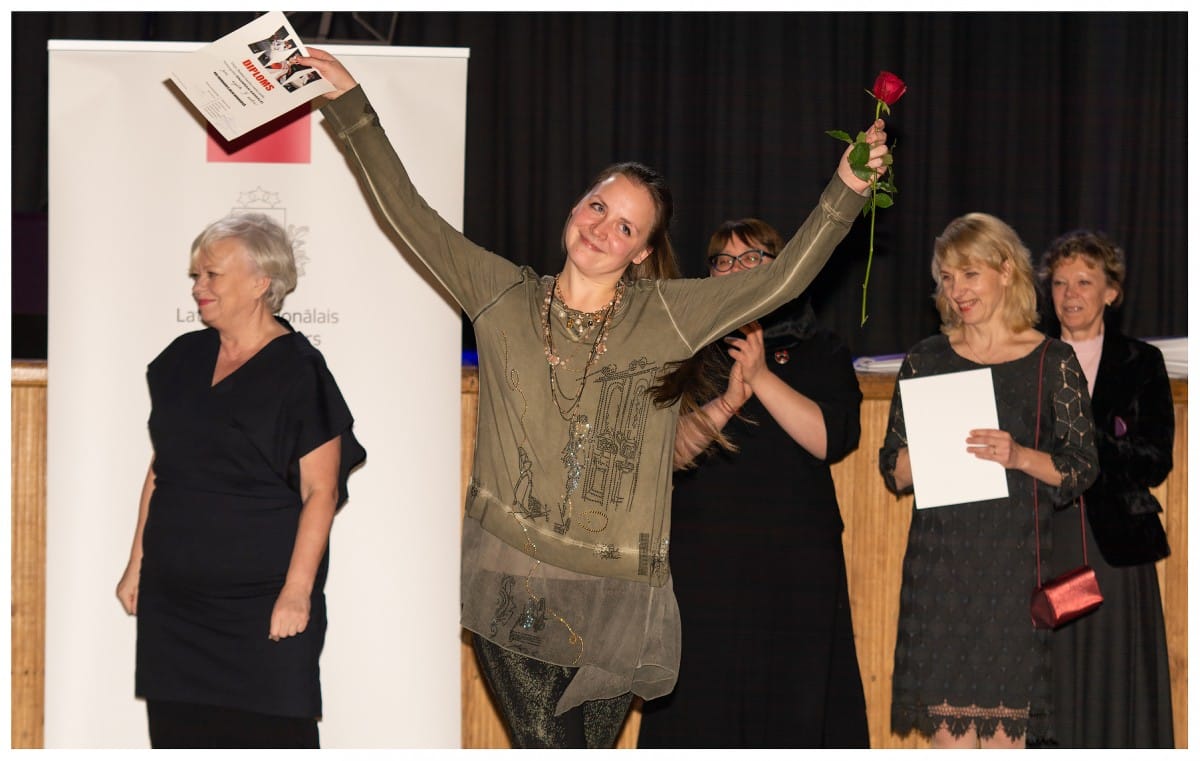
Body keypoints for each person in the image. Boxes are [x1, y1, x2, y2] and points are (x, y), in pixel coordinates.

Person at [294, 48, 888, 748]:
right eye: (599, 206)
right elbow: (410, 216)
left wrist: (845, 191)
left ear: (641, 253)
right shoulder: (502, 294)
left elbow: (780, 280)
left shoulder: (666, 315)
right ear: (576, 206)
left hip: (617, 601)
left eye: (626, 227)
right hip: (514, 584)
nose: (603, 229)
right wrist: (350, 105)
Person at [115, 213, 366, 748]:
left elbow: (320, 492)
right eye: (196, 276)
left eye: (212, 275)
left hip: (261, 606)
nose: (198, 287)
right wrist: (137, 562)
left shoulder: (299, 371)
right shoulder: (183, 359)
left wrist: (296, 592)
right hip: (174, 606)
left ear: (260, 283)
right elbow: (163, 468)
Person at [636, 218, 869, 748]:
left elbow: (830, 439)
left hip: (795, 566)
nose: (735, 269)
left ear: (782, 269)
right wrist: (727, 403)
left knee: (794, 706)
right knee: (701, 708)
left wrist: (761, 376)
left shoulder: (821, 348)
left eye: (751, 258)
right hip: (705, 563)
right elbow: (668, 453)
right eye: (723, 260)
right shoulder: (687, 350)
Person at [878, 213, 1098, 748]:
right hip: (941, 574)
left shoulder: (1052, 361)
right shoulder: (926, 359)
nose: (957, 291)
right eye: (947, 278)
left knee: (1005, 742)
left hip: (1013, 574)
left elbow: (1081, 467)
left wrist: (1019, 455)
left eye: (970, 274)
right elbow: (894, 470)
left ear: (1005, 271)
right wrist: (930, 448)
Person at [1037, 230, 1174, 747]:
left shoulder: (1142, 362)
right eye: (1060, 283)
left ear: (1111, 292)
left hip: (1116, 546)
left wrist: (1086, 440)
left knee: (1117, 688)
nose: (1070, 294)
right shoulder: (1028, 359)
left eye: (1084, 282)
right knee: (1049, 684)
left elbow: (1155, 460)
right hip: (1044, 539)